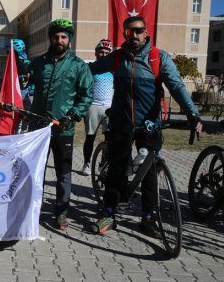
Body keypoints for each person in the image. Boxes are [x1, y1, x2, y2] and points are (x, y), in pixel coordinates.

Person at [89, 16, 201, 237]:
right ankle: (109, 213)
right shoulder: (118, 58)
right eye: (129, 32)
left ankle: (148, 217)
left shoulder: (158, 58)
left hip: (149, 124)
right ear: (124, 34)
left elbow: (177, 87)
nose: (134, 35)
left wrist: (192, 113)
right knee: (116, 169)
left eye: (138, 30)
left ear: (146, 32)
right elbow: (90, 69)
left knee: (149, 171)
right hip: (121, 122)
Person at [27, 19, 93, 230]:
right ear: (51, 38)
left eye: (63, 37)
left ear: (69, 40)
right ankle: (30, 209)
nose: (59, 40)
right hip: (38, 127)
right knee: (34, 171)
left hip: (64, 128)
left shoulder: (79, 66)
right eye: (56, 36)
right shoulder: (38, 63)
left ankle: (61, 212)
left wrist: (72, 116)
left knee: (63, 172)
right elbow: (25, 86)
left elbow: (86, 95)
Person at [80, 39, 114, 176]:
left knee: (109, 139)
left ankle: (103, 164)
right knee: (90, 137)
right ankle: (87, 163)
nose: (104, 54)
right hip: (93, 106)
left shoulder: (113, 69)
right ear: (96, 52)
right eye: (101, 52)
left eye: (107, 52)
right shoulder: (90, 68)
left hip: (109, 107)